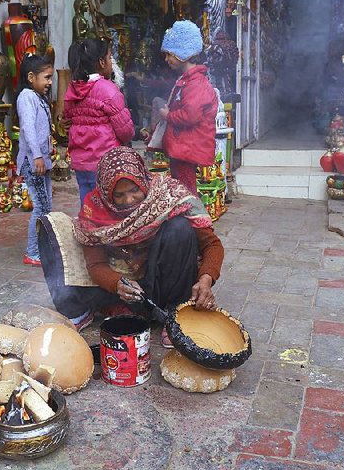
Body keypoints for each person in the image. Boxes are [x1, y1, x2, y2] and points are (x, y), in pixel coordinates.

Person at [37, 147, 223, 344]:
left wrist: (206, 279)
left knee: (179, 228)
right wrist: (116, 283)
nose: (129, 200)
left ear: (143, 181)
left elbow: (212, 244)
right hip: (125, 292)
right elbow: (95, 265)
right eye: (119, 195)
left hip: (162, 282)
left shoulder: (167, 195)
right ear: (107, 193)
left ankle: (175, 314)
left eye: (135, 190)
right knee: (54, 227)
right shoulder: (95, 211)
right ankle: (93, 311)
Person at [64, 38, 135, 207]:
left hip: (81, 162)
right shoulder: (108, 90)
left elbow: (67, 116)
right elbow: (125, 131)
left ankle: (88, 232)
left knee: (88, 206)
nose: (111, 62)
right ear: (101, 62)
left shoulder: (72, 89)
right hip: (105, 161)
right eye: (110, 58)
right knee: (108, 208)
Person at [157, 20, 218, 194]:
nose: (166, 59)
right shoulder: (188, 81)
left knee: (185, 191)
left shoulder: (196, 84)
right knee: (183, 188)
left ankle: (194, 220)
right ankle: (189, 218)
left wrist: (168, 115)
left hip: (187, 149)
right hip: (183, 148)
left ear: (181, 54)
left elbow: (190, 116)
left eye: (169, 54)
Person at [16, 54, 55, 267]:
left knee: (46, 205)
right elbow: (28, 128)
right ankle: (33, 252)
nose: (50, 82)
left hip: (41, 159)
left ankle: (42, 248)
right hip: (34, 161)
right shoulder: (26, 97)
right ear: (31, 77)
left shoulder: (37, 97)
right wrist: (37, 155)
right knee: (41, 206)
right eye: (46, 77)